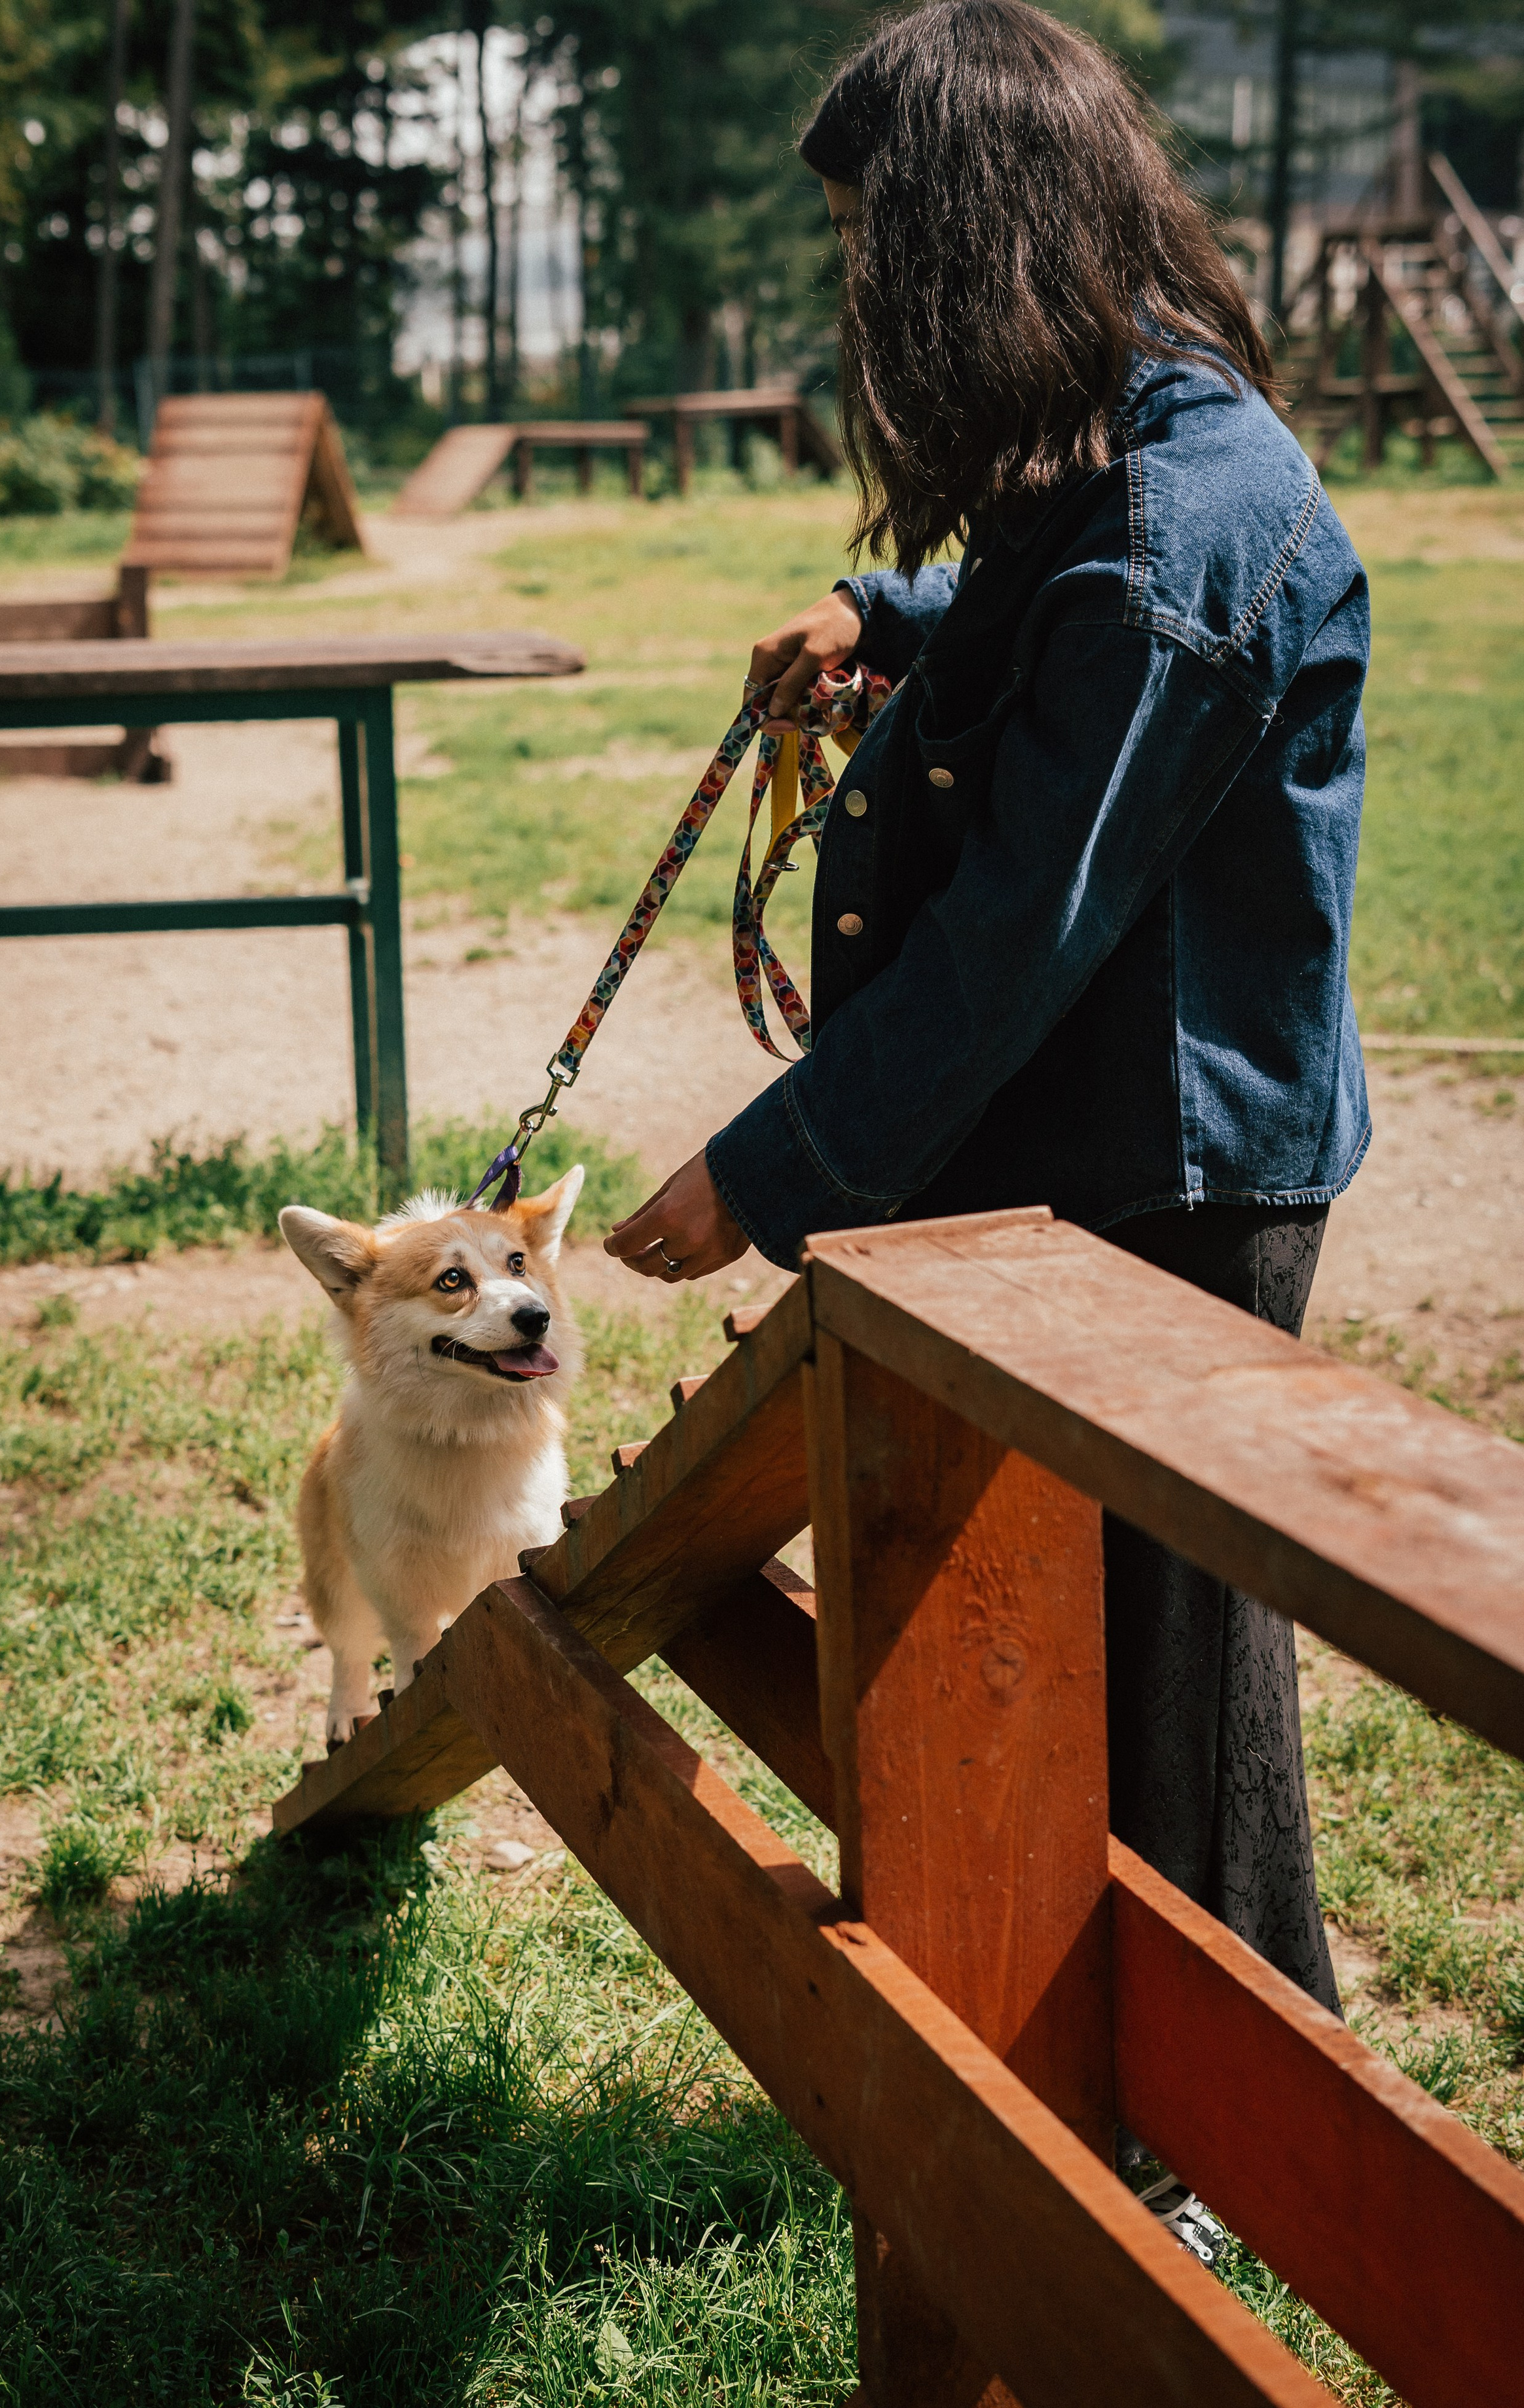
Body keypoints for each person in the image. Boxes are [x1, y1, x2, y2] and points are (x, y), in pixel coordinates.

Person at [604, 0, 1370, 2038]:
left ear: (967, 239)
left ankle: (1221, 2112)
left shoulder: (1178, 531)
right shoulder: (1121, 446)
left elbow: (1010, 945)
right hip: (1076, 1146)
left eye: (873, 240)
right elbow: (1035, 589)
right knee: (1048, 1647)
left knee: (1174, 1684)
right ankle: (1068, 2054)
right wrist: (887, 612)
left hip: (1173, 1175)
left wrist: (758, 1180)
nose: (862, 290)